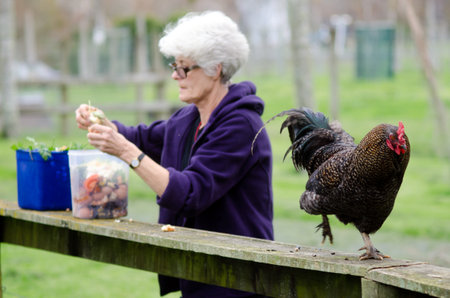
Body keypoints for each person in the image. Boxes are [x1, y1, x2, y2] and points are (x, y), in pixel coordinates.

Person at [75, 10, 273, 298]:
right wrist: (103, 123)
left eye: (183, 68)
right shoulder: (188, 119)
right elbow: (140, 138)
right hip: (200, 272)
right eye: (174, 66)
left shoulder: (241, 127)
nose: (174, 75)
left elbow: (190, 194)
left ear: (214, 69)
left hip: (238, 279)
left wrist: (128, 153)